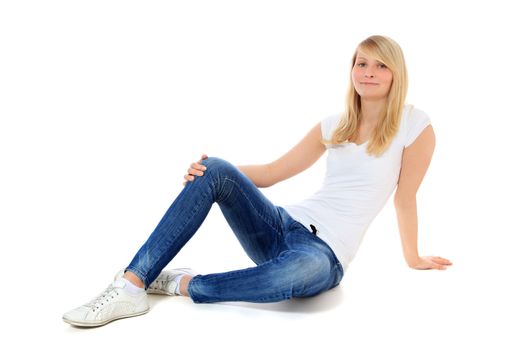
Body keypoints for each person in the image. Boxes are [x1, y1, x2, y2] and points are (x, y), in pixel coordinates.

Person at [63, 35, 452, 327]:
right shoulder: (333, 126)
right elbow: (270, 173)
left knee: (298, 275)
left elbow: (406, 197)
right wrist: (211, 174)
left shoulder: (415, 125)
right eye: (362, 63)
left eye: (381, 65)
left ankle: (182, 284)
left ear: (396, 73)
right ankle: (131, 285)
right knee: (214, 165)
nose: (369, 72)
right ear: (351, 71)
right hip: (281, 225)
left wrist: (413, 258)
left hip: (324, 255)